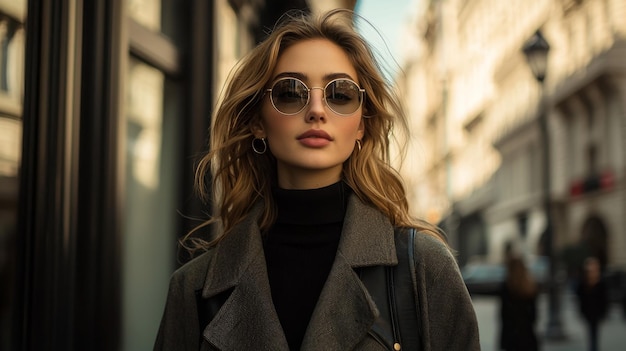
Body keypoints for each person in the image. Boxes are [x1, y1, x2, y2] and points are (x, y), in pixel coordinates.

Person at [154, 9, 480, 351]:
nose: (317, 109)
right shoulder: (195, 287)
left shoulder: (423, 269)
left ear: (362, 124)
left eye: (339, 93)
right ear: (257, 122)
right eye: (290, 92)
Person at [498, 255, 539, 351]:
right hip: (528, 336)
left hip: (512, 338)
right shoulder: (530, 287)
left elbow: (504, 316)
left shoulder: (507, 287)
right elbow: (534, 316)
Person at [576, 256, 609, 351]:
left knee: (594, 332)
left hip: (597, 312)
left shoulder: (601, 282)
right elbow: (580, 296)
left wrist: (604, 312)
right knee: (591, 332)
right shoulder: (583, 282)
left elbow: (604, 299)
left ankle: (593, 348)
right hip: (587, 311)